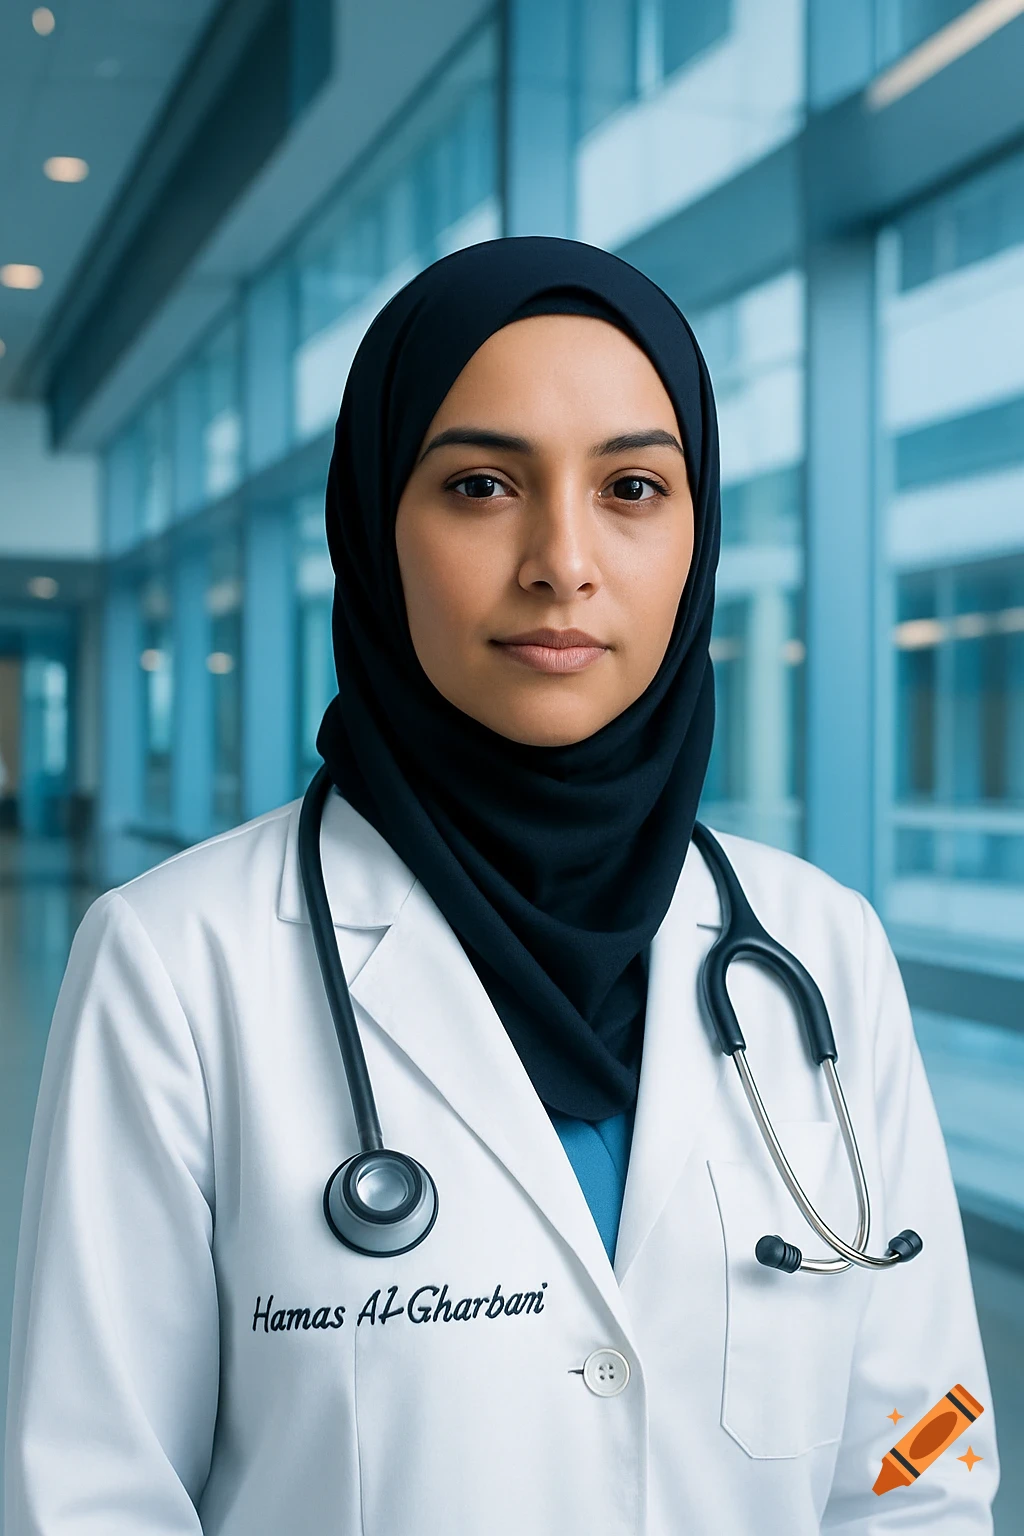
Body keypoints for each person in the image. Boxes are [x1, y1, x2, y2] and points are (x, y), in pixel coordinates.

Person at [5, 238, 997, 1534]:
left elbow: (921, 1460)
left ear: (699, 535)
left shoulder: (821, 945)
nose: (562, 561)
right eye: (481, 483)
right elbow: (92, 1496)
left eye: (635, 486)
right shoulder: (178, 960)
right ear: (373, 523)